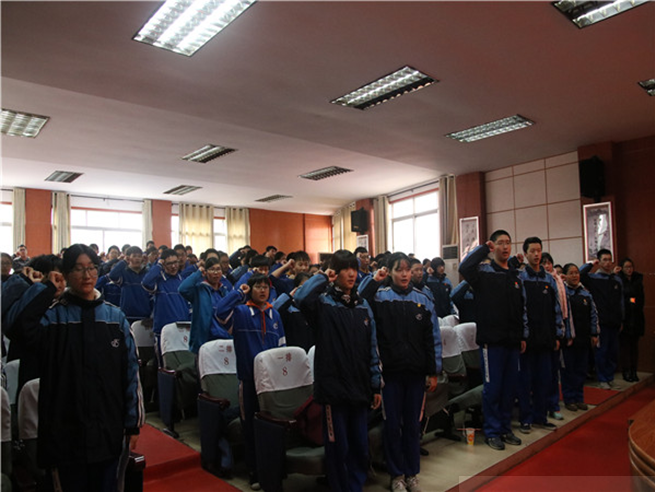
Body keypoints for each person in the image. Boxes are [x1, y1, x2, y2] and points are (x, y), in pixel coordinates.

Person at [7, 244, 144, 491]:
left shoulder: (115, 318)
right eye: (78, 269)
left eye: (91, 268)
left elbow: (131, 374)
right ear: (66, 274)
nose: (86, 275)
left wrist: (132, 423)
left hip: (107, 428)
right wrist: (46, 289)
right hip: (64, 432)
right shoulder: (54, 317)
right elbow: (16, 327)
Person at [295, 250, 382, 492]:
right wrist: (323, 276)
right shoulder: (323, 303)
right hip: (333, 389)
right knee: (338, 445)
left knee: (359, 444)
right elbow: (301, 298)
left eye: (354, 268)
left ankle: (355, 486)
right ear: (335, 272)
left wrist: (376, 384)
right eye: (345, 269)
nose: (351, 274)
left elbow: (372, 347)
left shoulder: (363, 305)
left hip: (360, 386)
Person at [359, 253, 440, 492]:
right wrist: (374, 279)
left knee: (413, 426)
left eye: (407, 270)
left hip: (416, 374)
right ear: (390, 272)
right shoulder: (380, 296)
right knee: (392, 426)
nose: (404, 274)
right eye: (399, 270)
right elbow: (359, 298)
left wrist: (433, 371)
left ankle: (412, 473)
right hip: (390, 375)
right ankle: (396, 475)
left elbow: (432, 337)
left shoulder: (423, 298)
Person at [459, 230, 528, 451]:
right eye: (500, 243)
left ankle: (506, 429)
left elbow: (521, 308)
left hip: (512, 341)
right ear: (493, 247)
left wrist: (522, 335)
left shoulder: (515, 275)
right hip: (492, 341)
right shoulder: (484, 273)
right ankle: (492, 431)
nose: (505, 247)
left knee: (509, 388)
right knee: (493, 389)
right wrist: (482, 249)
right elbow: (464, 268)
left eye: (508, 243)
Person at [215, 274, 285, 490]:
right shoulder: (241, 313)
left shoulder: (275, 314)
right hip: (249, 379)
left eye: (266, 287)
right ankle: (254, 471)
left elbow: (282, 346)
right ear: (251, 289)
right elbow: (220, 312)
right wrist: (239, 292)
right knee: (250, 427)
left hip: (271, 383)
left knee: (272, 426)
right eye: (258, 287)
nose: (262, 290)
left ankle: (274, 469)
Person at [516, 238, 563, 434]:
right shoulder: (520, 278)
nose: (536, 254)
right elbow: (519, 308)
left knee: (544, 380)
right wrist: (522, 335)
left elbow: (556, 309)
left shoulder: (549, 280)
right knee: (525, 382)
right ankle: (525, 419)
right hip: (527, 340)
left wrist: (558, 334)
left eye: (539, 250)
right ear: (526, 254)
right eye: (532, 251)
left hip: (546, 338)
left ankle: (540, 417)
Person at [580, 249, 624, 389]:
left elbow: (621, 301)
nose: (607, 263)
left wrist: (621, 319)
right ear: (599, 262)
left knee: (613, 352)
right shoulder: (594, 278)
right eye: (604, 260)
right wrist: (591, 264)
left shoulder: (616, 280)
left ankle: (610, 377)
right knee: (602, 351)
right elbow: (580, 274)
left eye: (609, 259)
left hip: (615, 321)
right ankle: (603, 378)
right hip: (601, 322)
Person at [141, 248, 191, 363]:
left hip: (182, 331)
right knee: (164, 365)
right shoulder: (159, 281)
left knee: (184, 365)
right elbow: (146, 282)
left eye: (175, 262)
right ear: (163, 264)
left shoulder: (183, 281)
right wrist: (158, 265)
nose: (173, 266)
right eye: (169, 263)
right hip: (163, 332)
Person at [561, 263, 599, 411]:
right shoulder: (563, 293)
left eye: (576, 273)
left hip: (584, 338)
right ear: (565, 276)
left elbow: (593, 315)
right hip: (569, 340)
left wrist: (594, 333)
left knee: (581, 370)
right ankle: (569, 399)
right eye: (571, 273)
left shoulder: (585, 293)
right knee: (568, 371)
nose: (574, 276)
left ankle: (579, 397)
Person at [179, 256, 232, 354]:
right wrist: (198, 272)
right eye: (212, 269)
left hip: (223, 339)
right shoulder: (199, 290)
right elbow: (183, 289)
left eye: (218, 269)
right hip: (204, 340)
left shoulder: (224, 291)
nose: (215, 273)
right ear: (206, 272)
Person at [541, 252, 569, 421]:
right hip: (540, 334)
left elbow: (560, 310)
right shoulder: (534, 280)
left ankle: (553, 405)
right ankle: (542, 407)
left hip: (555, 331)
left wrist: (560, 333)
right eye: (544, 263)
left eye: (549, 263)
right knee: (542, 374)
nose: (547, 266)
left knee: (553, 372)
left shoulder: (557, 281)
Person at [107, 245, 152, 324]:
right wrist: (123, 262)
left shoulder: (147, 273)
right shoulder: (124, 273)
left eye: (139, 256)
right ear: (128, 258)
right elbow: (112, 275)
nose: (137, 258)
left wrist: (148, 262)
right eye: (134, 256)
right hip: (127, 315)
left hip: (145, 316)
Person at [618, 258, 645, 382]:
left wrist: (632, 300)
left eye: (631, 267)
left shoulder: (637, 279)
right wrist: (631, 300)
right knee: (625, 346)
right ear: (622, 269)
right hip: (625, 318)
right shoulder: (619, 280)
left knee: (635, 346)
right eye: (626, 267)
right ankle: (626, 371)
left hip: (637, 317)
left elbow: (639, 298)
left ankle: (634, 371)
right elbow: (623, 298)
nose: (629, 269)